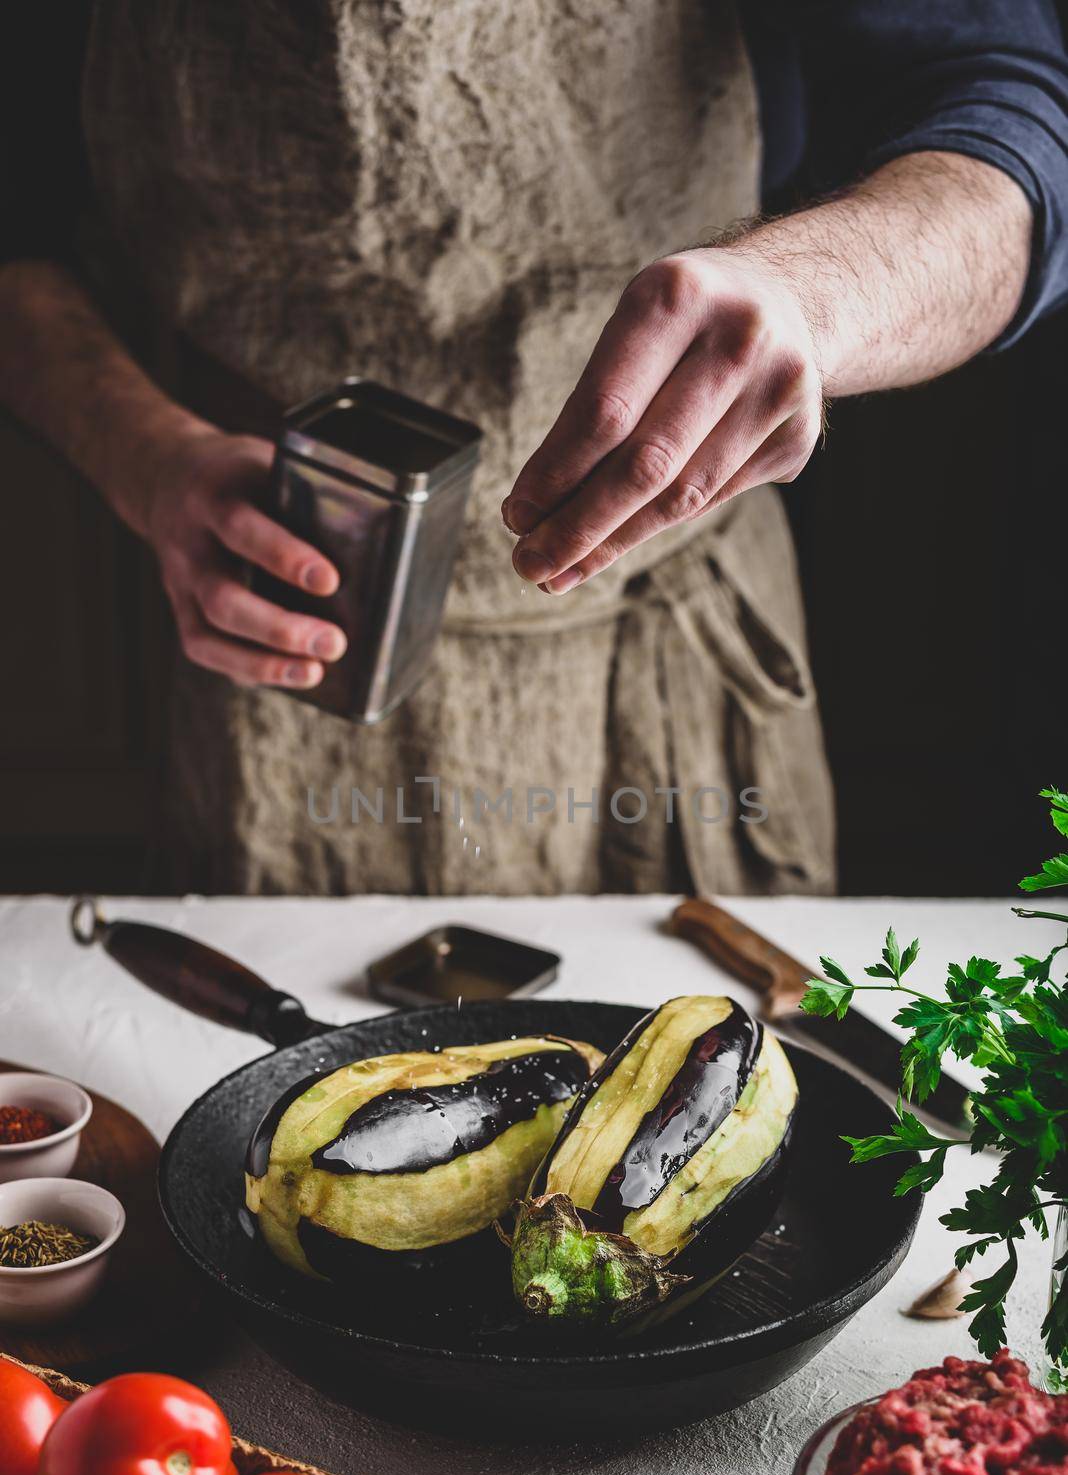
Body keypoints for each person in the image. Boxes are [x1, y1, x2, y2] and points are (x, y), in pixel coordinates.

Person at [2, 1, 1067, 897]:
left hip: (667, 668)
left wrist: (812, 295)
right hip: (277, 660)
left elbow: (1019, 121)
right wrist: (147, 457)